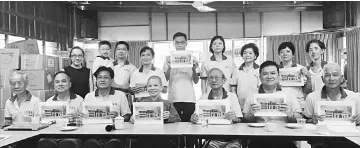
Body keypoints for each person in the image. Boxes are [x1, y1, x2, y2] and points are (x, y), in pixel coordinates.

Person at [243, 61, 302, 148]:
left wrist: (290, 114)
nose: (269, 76)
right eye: (265, 74)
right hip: (259, 137)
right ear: (260, 77)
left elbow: (299, 118)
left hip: (284, 136)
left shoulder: (289, 94)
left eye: (273, 73)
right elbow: (245, 119)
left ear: (278, 76)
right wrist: (251, 114)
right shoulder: (252, 96)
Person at [304, 63, 359, 148]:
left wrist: (358, 120)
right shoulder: (311, 97)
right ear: (322, 79)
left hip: (348, 140)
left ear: (342, 78)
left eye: (335, 75)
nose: (331, 78)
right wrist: (312, 120)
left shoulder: (354, 97)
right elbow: (304, 121)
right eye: (327, 75)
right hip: (321, 141)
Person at [191, 68, 243, 148]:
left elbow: (240, 119)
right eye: (210, 78)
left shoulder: (232, 97)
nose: (214, 80)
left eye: (217, 77)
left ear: (224, 80)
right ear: (208, 81)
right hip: (211, 139)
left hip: (232, 139)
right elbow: (196, 119)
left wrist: (235, 118)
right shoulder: (203, 98)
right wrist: (193, 118)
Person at [82, 66, 131, 148]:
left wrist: (118, 118)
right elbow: (83, 116)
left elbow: (127, 115)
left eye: (105, 77)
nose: (102, 80)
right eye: (99, 77)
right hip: (93, 134)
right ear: (96, 80)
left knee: (114, 144)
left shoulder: (120, 95)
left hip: (114, 133)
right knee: (90, 144)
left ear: (112, 80)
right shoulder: (88, 96)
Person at [130, 75, 181, 148]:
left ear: (161, 88)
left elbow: (177, 119)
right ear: (147, 88)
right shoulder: (141, 102)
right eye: (150, 86)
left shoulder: (167, 103)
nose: (152, 88)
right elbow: (133, 119)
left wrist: (169, 117)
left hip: (163, 137)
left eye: (156, 85)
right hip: (144, 136)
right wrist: (132, 119)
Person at [37, 72, 84, 148]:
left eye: (64, 81)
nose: (60, 84)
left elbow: (85, 123)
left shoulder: (79, 100)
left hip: (72, 136)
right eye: (57, 82)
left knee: (68, 144)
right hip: (51, 136)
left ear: (70, 84)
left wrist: (77, 118)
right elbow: (43, 124)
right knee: (44, 144)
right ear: (54, 85)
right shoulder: (49, 102)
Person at [163, 32, 200, 122]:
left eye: (182, 42)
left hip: (189, 98)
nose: (179, 45)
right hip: (173, 98)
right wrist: (169, 67)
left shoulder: (192, 58)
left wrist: (194, 69)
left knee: (189, 126)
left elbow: (196, 80)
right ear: (174, 43)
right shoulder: (168, 59)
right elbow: (165, 79)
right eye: (177, 42)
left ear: (186, 43)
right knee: (173, 126)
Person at [4, 71, 41, 148]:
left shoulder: (35, 101)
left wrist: (26, 119)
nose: (16, 86)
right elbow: (7, 123)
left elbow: (40, 123)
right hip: (13, 137)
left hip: (31, 137)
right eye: (13, 84)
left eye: (20, 83)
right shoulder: (9, 102)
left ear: (26, 83)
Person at [277, 42, 312, 111]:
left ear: (293, 54)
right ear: (279, 55)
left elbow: (307, 90)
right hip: (281, 103)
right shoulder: (275, 70)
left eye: (288, 51)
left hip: (299, 103)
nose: (285, 54)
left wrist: (308, 78)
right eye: (282, 52)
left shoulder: (301, 69)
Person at [230, 43, 260, 109]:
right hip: (239, 105)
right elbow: (233, 89)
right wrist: (235, 102)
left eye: (250, 53)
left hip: (255, 105)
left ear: (255, 56)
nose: (247, 55)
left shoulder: (259, 70)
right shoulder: (236, 70)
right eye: (245, 53)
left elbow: (261, 88)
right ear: (242, 55)